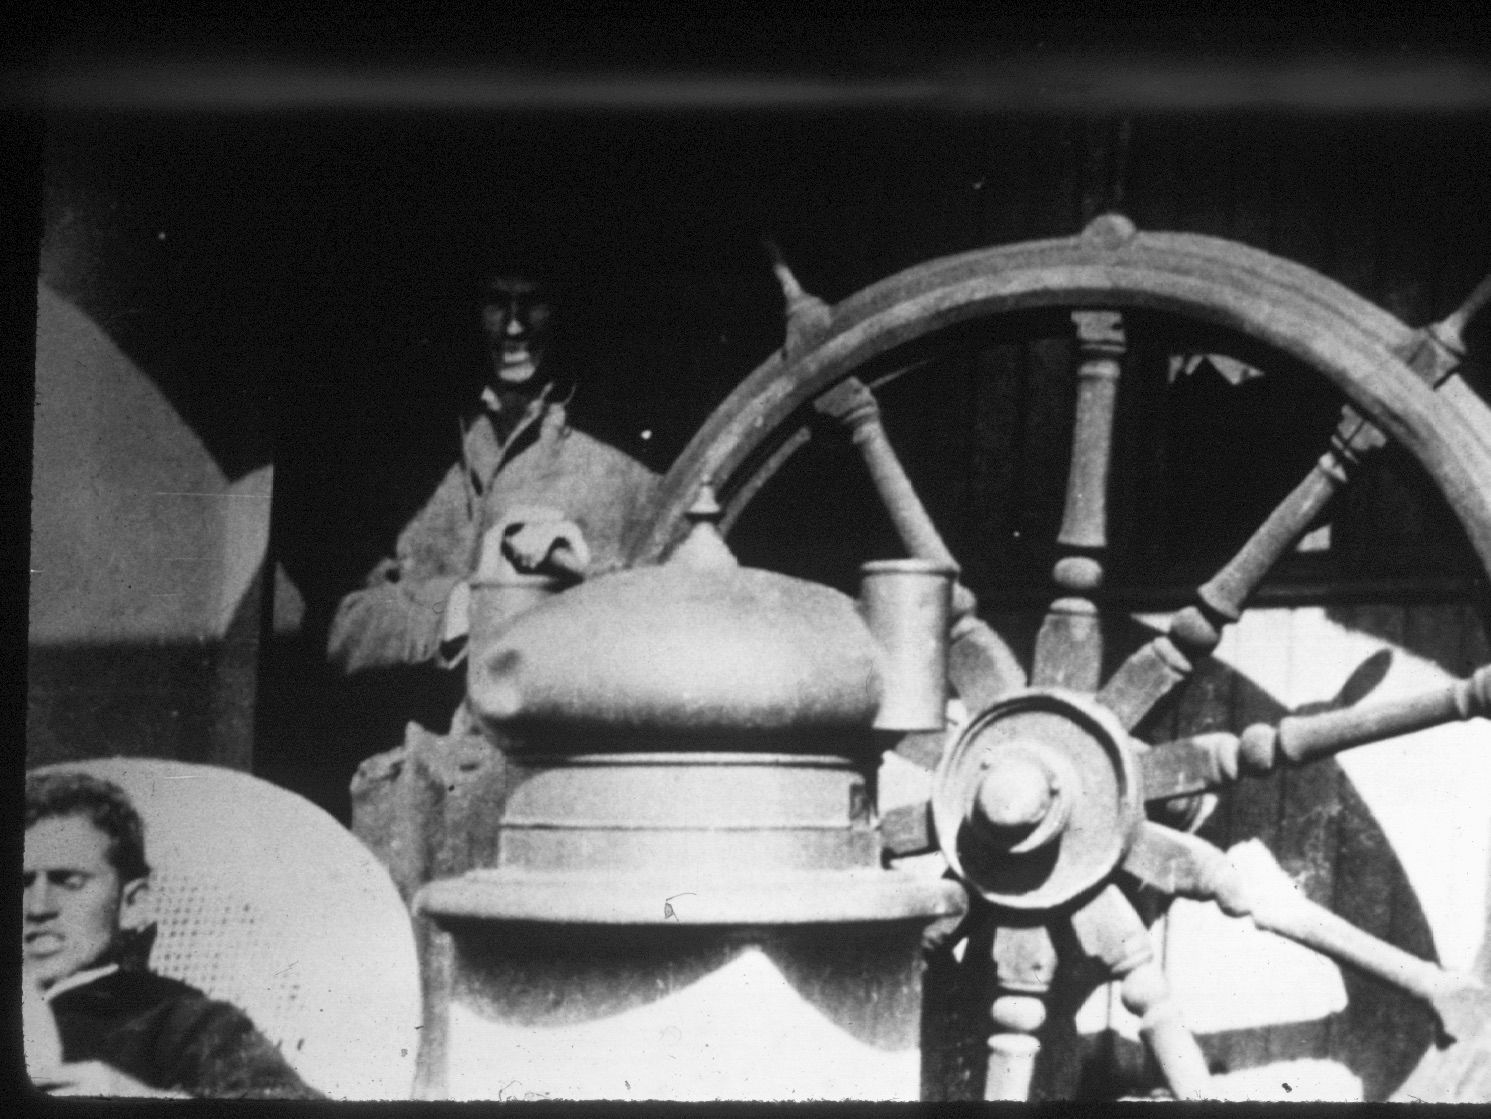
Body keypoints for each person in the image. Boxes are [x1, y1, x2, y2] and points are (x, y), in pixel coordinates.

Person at [326, 270, 660, 685]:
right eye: (497, 303)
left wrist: (574, 578)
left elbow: (658, 637)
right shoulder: (413, 462)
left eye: (533, 303)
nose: (514, 326)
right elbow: (343, 627)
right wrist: (462, 607)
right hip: (417, 721)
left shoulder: (620, 472)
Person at [23, 771, 323, 1099]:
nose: (37, 907)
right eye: (20, 883)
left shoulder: (180, 1021)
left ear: (132, 903)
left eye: (68, 882)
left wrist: (141, 1101)